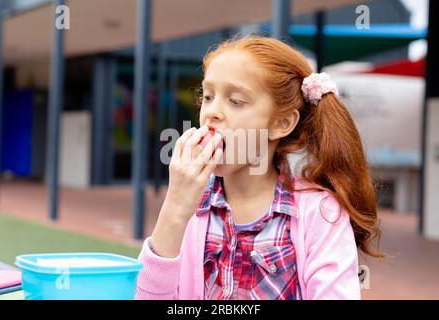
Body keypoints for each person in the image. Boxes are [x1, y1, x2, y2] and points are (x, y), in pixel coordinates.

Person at [135, 35, 384, 300]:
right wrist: (174, 208)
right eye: (208, 97)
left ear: (281, 123)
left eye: (236, 101)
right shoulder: (190, 209)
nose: (211, 112)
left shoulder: (320, 212)